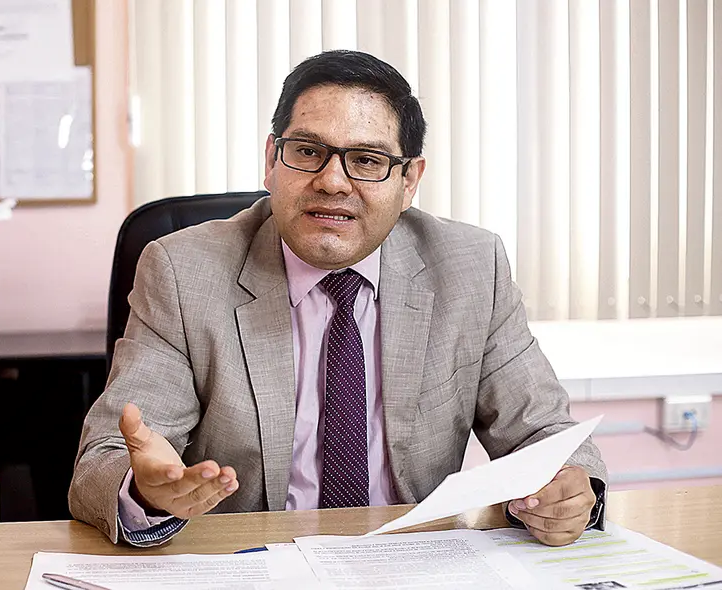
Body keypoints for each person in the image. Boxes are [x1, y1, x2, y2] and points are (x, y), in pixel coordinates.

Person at [69, 50, 606, 548]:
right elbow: (104, 462)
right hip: (253, 566)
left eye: (367, 160)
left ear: (409, 179)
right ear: (271, 161)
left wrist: (572, 490)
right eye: (307, 152)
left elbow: (546, 434)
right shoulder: (184, 272)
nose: (331, 182)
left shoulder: (470, 267)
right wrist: (145, 494)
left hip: (412, 563)